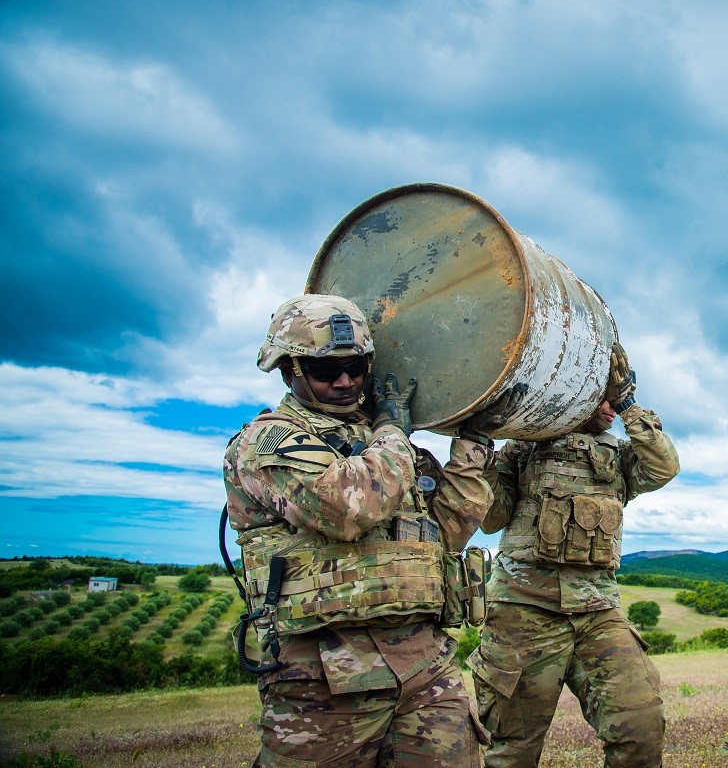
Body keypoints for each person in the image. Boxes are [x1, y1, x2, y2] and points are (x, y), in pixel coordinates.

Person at [224, 293, 523, 768]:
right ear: (289, 372)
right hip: (323, 680)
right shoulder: (269, 441)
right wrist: (393, 432)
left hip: (425, 666)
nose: (345, 381)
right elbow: (348, 506)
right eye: (325, 371)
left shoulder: (389, 447)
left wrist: (473, 445)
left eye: (356, 367)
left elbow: (445, 533)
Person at [469, 344, 681, 768]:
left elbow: (664, 467)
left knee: (641, 726)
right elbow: (492, 519)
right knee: (512, 750)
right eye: (600, 396)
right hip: (523, 611)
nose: (608, 406)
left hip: (598, 610)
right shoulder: (523, 449)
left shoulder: (618, 456)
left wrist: (629, 405)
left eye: (612, 397)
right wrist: (482, 449)